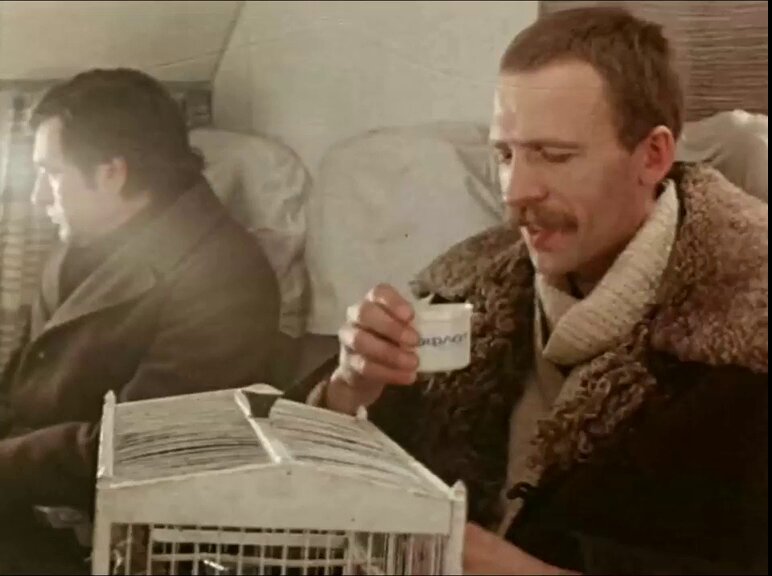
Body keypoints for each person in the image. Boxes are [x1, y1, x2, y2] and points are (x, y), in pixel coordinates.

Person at [293, 7, 768, 575]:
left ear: (653, 156)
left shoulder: (749, 337)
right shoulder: (463, 288)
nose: (515, 191)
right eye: (505, 154)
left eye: (555, 155)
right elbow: (299, 491)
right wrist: (349, 391)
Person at [0, 69, 280, 573]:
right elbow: (23, 381)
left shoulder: (225, 275)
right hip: (27, 498)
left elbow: (137, 446)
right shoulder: (82, 244)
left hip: (102, 541)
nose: (39, 196)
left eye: (52, 173)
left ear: (112, 173)